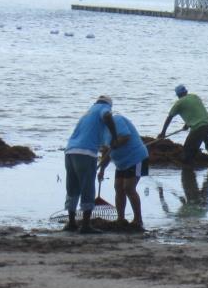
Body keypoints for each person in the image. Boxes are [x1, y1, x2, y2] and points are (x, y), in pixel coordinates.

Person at [63, 95, 119, 234]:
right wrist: (115, 137)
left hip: (70, 151)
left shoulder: (88, 113)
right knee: (87, 187)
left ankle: (71, 223)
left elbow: (101, 141)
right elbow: (107, 116)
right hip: (85, 153)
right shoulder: (104, 108)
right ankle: (86, 226)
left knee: (72, 187)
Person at [98, 113, 150, 229]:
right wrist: (102, 170)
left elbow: (126, 137)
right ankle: (120, 219)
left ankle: (138, 220)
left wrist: (114, 145)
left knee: (129, 188)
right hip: (121, 163)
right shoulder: (101, 132)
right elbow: (106, 152)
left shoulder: (117, 120)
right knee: (118, 188)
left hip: (137, 158)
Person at [158, 85, 208, 164]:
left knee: (188, 148)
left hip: (199, 127)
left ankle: (189, 166)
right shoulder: (194, 97)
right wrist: (187, 124)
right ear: (186, 92)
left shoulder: (179, 103)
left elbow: (169, 118)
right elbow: (194, 111)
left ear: (178, 95)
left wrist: (163, 132)